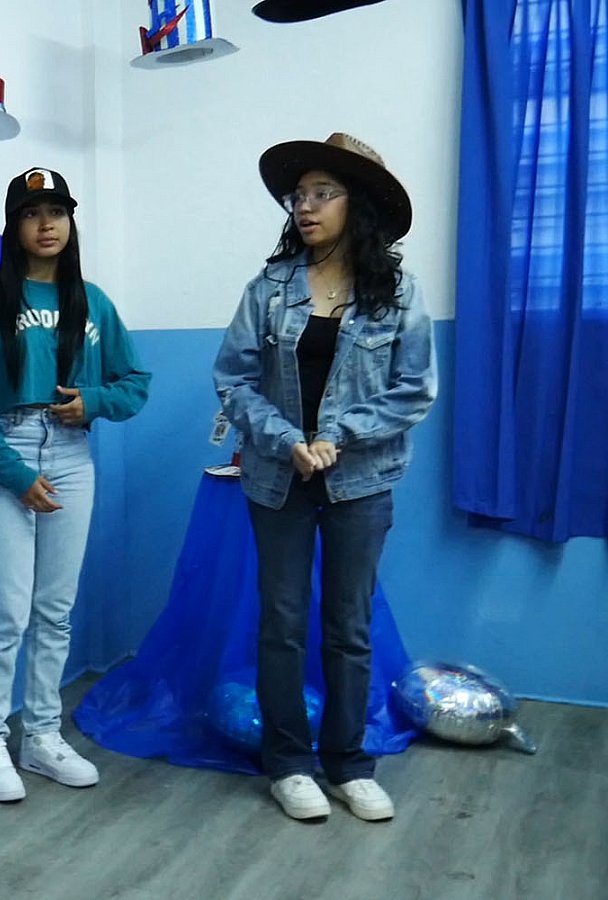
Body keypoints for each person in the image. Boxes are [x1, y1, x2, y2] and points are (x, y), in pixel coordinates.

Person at [212, 133, 436, 822]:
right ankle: (287, 763)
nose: (304, 207)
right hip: (278, 480)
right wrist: (289, 442)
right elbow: (233, 380)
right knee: (281, 622)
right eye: (298, 195)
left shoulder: (398, 292)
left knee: (349, 626)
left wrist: (339, 435)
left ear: (355, 203)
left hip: (360, 481)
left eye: (321, 194)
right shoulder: (268, 288)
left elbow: (415, 389)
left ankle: (347, 764)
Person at [0, 167, 151, 802]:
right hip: (5, 451)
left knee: (55, 610)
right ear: (14, 225)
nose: (46, 225)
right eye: (32, 213)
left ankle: (40, 735)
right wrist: (15, 475)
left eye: (57, 212)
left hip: (71, 454)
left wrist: (93, 401)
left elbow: (134, 383)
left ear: (70, 222)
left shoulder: (93, 302)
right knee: (6, 610)